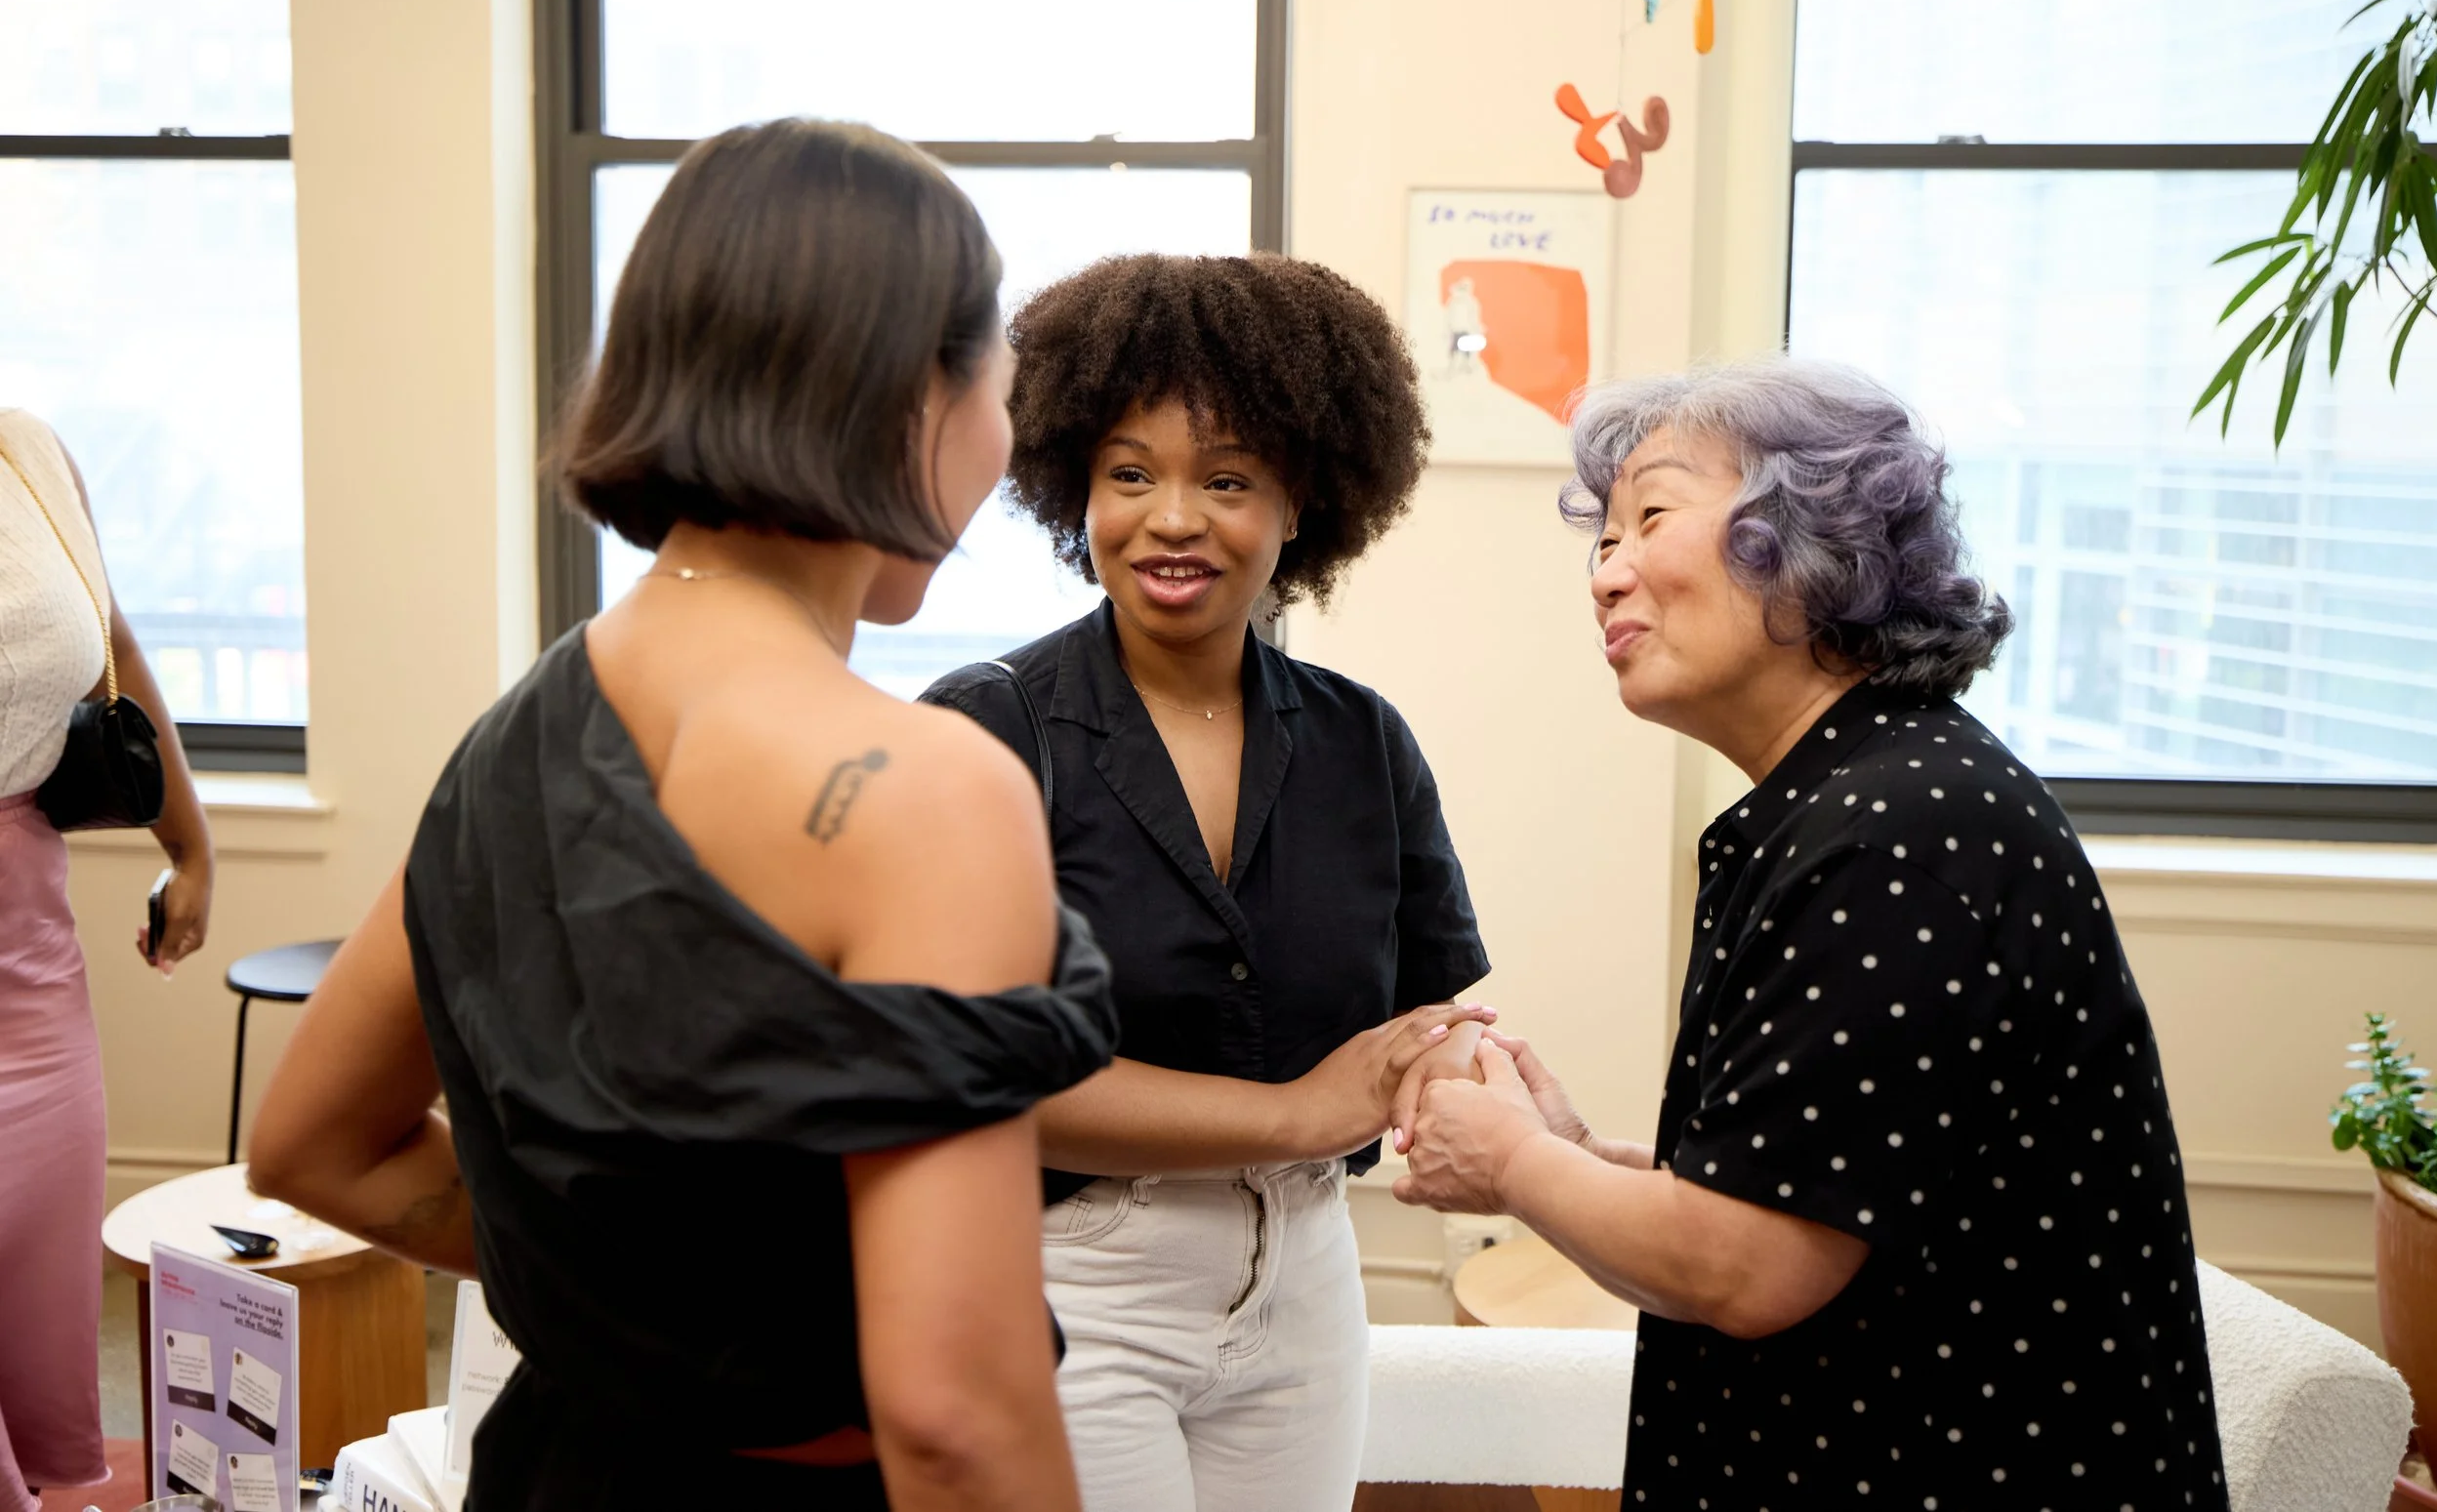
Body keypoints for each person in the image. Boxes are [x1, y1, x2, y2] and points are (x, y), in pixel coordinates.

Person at [246, 119, 1119, 1512]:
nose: (1005, 449)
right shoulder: (929, 792)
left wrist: (629, 1296)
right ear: (914, 391)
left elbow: (310, 1145)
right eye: (1001, 389)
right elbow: (956, 1412)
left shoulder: (502, 746)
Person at [1390, 358, 2229, 1510]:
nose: (1606, 572)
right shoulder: (1867, 795)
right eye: (1601, 538)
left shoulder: (1894, 832)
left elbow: (1747, 1269)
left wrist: (1508, 1160)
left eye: (1650, 517)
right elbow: (1815, 1197)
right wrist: (1581, 1163)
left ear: (1806, 536)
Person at [920, 252, 1495, 1512]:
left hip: (1305, 1282)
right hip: (1077, 1283)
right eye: (1130, 473)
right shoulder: (990, 728)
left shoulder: (1365, 741)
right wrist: (1299, 1109)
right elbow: (979, 1069)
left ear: (1303, 503)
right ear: (1077, 489)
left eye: (1225, 479)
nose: (1171, 517)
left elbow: (1425, 1020)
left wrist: (1461, 1083)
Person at [0, 405, 214, 1512]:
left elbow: (113, 648)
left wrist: (191, 841)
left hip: (32, 970)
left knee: (49, 1377)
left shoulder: (27, 453)